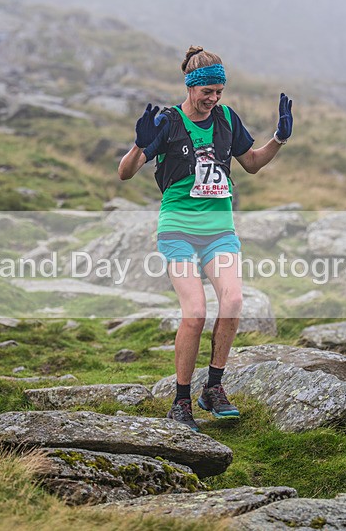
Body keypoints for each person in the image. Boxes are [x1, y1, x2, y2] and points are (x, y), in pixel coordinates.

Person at [118, 45, 293, 431]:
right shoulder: (167, 122)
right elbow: (125, 174)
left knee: (232, 300)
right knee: (194, 312)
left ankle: (213, 388)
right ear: (190, 86)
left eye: (219, 92)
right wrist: (137, 145)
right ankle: (181, 402)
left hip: (219, 232)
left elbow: (251, 164)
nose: (213, 99)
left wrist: (278, 139)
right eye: (207, 92)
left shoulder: (227, 119)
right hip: (178, 231)